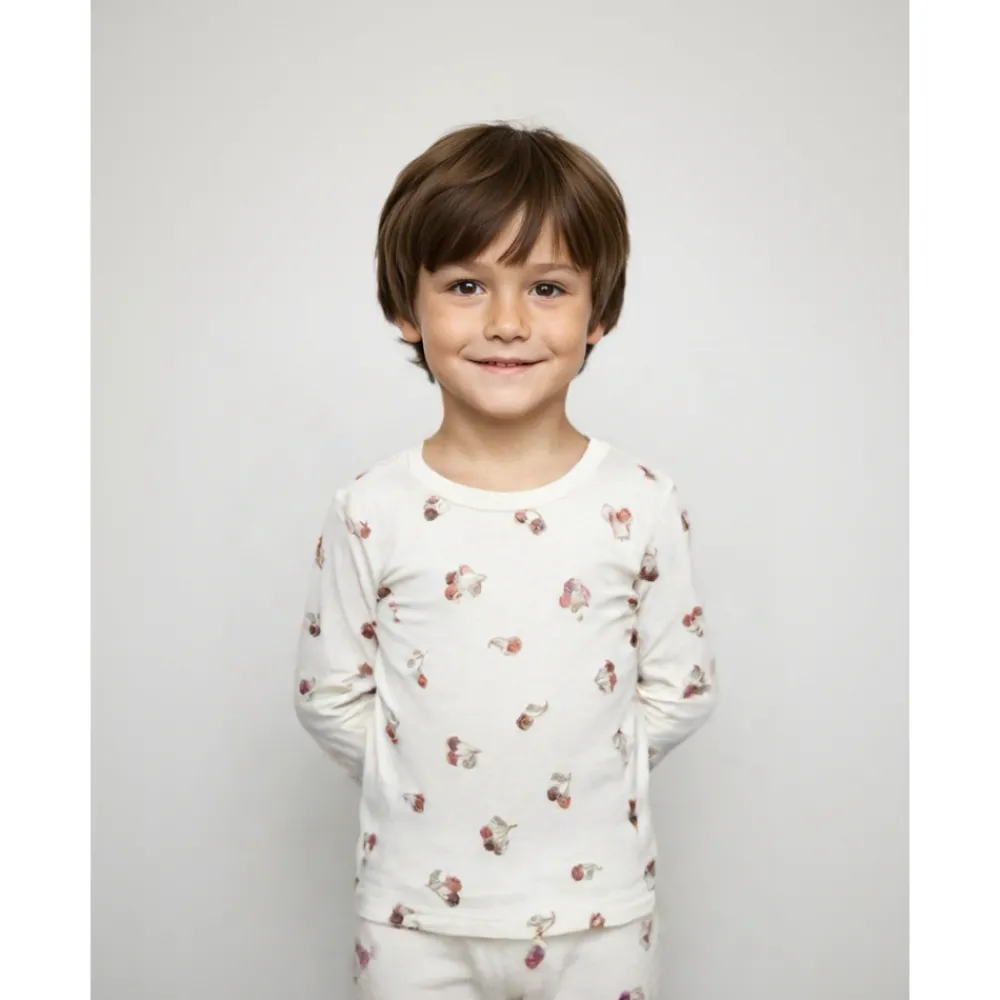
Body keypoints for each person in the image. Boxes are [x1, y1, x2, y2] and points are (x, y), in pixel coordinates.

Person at [293, 121, 719, 1000]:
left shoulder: (641, 499)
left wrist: (578, 766)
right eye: (466, 285)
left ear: (599, 313)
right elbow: (328, 695)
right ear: (405, 308)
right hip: (413, 916)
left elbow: (681, 686)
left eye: (548, 287)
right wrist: (429, 778)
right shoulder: (371, 508)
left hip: (599, 914)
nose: (507, 322)